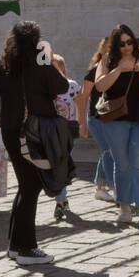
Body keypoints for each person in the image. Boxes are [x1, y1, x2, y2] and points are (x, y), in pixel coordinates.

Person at [0, 21, 68, 265]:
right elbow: (61, 86)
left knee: (25, 186)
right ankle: (26, 248)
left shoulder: (5, 64)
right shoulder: (40, 62)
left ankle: (15, 244)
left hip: (10, 130)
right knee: (31, 187)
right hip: (33, 131)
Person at [93, 24, 139, 228]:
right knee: (122, 164)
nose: (127, 47)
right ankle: (125, 208)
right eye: (122, 44)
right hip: (115, 120)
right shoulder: (107, 60)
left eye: (130, 42)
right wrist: (119, 69)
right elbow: (100, 85)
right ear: (115, 45)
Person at [78, 37, 116, 204]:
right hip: (96, 118)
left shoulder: (116, 70)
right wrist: (82, 123)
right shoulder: (94, 70)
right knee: (109, 151)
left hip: (111, 117)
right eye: (107, 49)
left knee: (107, 151)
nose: (110, 52)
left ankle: (100, 189)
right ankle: (115, 187)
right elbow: (82, 97)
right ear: (101, 51)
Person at [50, 53, 83, 222]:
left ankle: (61, 199)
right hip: (51, 130)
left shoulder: (71, 86)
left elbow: (80, 103)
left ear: (63, 67)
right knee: (58, 163)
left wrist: (82, 122)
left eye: (57, 65)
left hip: (68, 129)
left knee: (62, 162)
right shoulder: (46, 86)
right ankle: (61, 199)